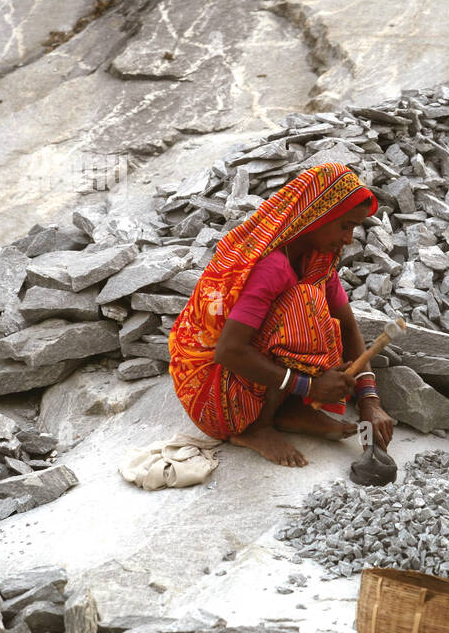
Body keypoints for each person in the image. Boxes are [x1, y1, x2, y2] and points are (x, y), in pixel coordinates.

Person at [168, 162, 394, 467]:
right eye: (344, 226)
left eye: (353, 227)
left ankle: (284, 410)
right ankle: (256, 428)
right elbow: (228, 351)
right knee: (303, 307)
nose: (349, 239)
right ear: (318, 215)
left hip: (245, 377)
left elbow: (349, 328)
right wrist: (310, 387)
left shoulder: (316, 259)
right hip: (213, 394)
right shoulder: (271, 265)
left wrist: (370, 401)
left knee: (319, 313)